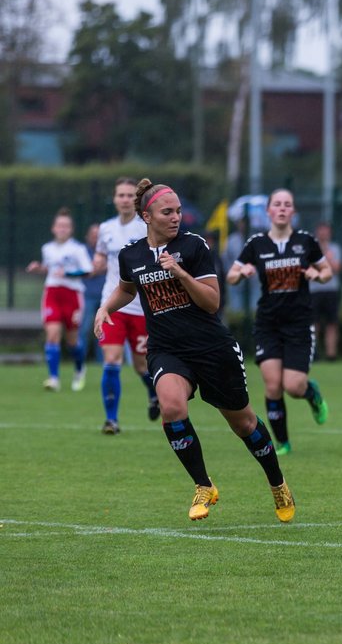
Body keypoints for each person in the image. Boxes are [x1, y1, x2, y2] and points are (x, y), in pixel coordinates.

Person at [93, 179, 294, 522]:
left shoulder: (194, 246)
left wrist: (181, 274)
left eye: (178, 211)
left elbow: (212, 302)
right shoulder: (132, 254)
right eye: (167, 212)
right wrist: (105, 308)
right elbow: (128, 288)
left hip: (211, 349)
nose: (176, 218)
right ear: (147, 216)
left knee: (244, 424)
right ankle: (203, 484)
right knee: (171, 407)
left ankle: (277, 483)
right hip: (167, 349)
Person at [226, 188, 332, 455]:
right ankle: (283, 443)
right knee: (272, 385)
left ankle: (311, 393)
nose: (282, 208)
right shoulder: (256, 244)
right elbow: (231, 276)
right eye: (277, 204)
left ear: (293, 211)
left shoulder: (305, 241)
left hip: (298, 323)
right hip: (268, 324)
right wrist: (243, 272)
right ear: (269, 211)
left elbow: (327, 270)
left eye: (287, 204)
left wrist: (317, 276)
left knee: (293, 386)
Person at [93, 178, 158, 433]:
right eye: (120, 195)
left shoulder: (145, 228)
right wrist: (98, 262)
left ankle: (154, 393)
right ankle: (112, 420)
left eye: (130, 195)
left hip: (141, 308)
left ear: (137, 200)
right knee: (112, 360)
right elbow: (100, 255)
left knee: (141, 365)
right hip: (112, 307)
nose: (124, 199)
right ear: (114, 198)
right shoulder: (106, 228)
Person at [27, 208, 93, 392]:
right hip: (52, 293)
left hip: (72, 295)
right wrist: (39, 268)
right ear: (53, 228)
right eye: (59, 226)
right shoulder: (47, 248)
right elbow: (49, 269)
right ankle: (53, 378)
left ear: (71, 229)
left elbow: (87, 271)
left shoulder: (77, 249)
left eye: (66, 226)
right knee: (53, 334)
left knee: (72, 341)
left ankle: (80, 369)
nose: (62, 229)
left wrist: (69, 273)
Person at [310, 221, 342, 362]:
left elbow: (336, 268)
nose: (323, 234)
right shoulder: (311, 249)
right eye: (321, 231)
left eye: (326, 231)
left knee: (332, 323)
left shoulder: (335, 248)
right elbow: (311, 268)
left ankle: (331, 355)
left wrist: (325, 258)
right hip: (314, 291)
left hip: (331, 290)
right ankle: (314, 353)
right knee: (313, 323)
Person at [78, 223, 104, 366]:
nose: (96, 239)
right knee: (85, 329)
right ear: (87, 237)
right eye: (93, 236)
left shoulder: (106, 252)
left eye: (98, 236)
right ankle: (80, 360)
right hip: (87, 295)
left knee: (103, 330)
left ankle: (102, 361)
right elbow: (86, 271)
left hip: (105, 297)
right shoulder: (81, 251)